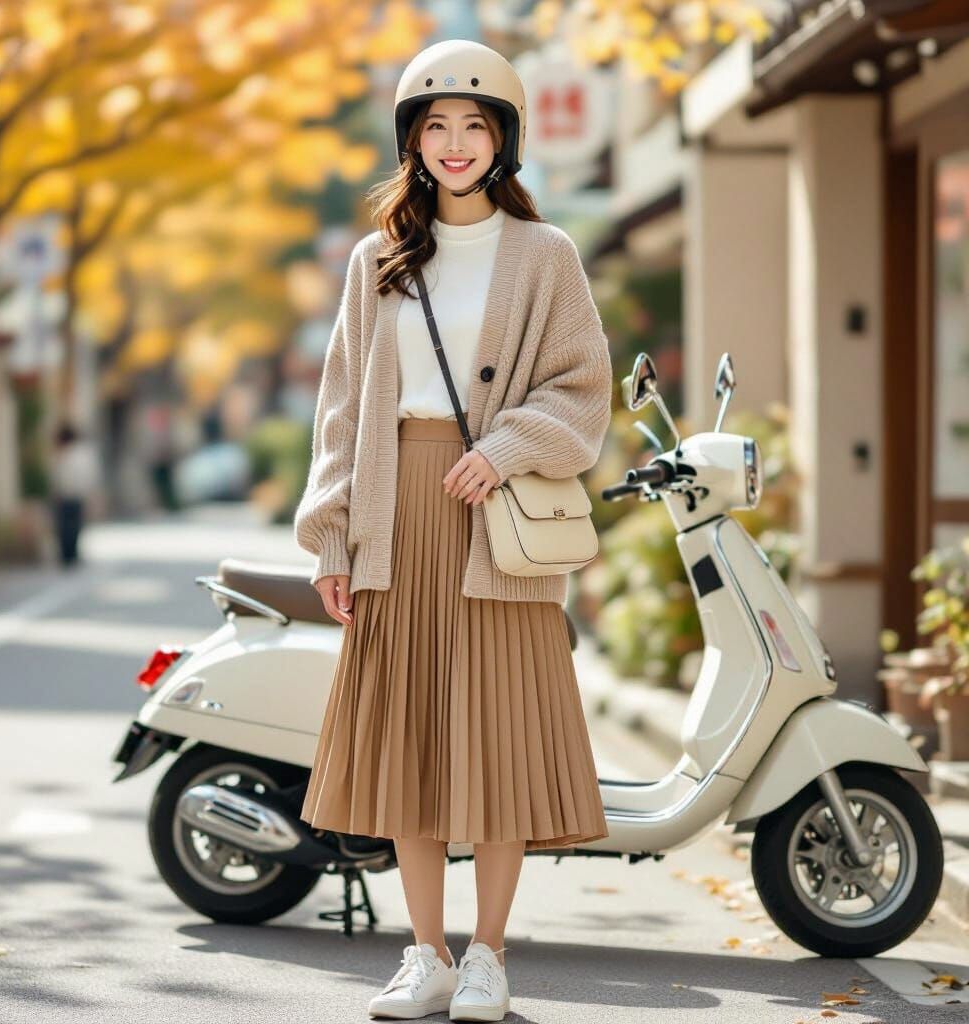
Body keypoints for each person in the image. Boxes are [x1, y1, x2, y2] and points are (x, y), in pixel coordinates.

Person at [293, 39, 613, 1022]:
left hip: (496, 517)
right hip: (399, 512)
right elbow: (344, 407)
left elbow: (582, 385)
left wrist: (511, 444)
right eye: (436, 124)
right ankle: (423, 953)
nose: (456, 142)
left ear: (504, 137)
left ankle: (487, 955)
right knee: (412, 744)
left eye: (476, 123)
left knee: (501, 741)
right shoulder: (374, 258)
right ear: (411, 139)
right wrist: (335, 538)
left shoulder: (545, 254)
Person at [49, 421, 102, 567]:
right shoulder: (82, 454)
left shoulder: (65, 454)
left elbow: (58, 477)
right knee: (74, 527)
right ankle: (71, 555)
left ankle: (67, 555)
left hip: (66, 496)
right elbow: (89, 476)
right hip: (77, 496)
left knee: (66, 527)